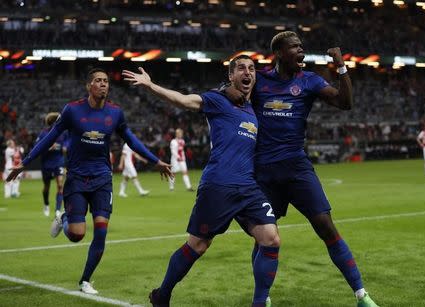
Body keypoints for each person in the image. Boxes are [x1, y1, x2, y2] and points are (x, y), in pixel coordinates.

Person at [225, 31, 378, 307]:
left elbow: (346, 102)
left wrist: (341, 66)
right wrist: (229, 91)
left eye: (301, 46)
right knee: (263, 239)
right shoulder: (259, 79)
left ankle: (361, 295)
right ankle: (261, 300)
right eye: (295, 47)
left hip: (297, 167)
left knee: (326, 227)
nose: (301, 51)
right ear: (280, 53)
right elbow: (232, 88)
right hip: (264, 172)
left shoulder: (309, 81)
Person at [122, 55, 280, 307]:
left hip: (248, 187)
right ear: (230, 75)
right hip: (219, 184)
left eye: (251, 69)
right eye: (241, 68)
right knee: (198, 245)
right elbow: (184, 101)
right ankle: (162, 295)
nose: (247, 72)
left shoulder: (253, 109)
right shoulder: (217, 100)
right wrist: (151, 86)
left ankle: (259, 303)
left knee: (271, 239)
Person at [6, 68, 172, 295]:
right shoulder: (72, 110)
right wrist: (25, 162)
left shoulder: (115, 113)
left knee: (101, 230)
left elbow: (132, 140)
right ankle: (63, 216)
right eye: (98, 81)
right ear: (89, 86)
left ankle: (85, 280)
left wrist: (155, 161)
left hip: (103, 178)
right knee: (77, 234)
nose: (103, 84)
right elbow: (50, 137)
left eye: (106, 81)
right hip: (76, 178)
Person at [37, 112, 68, 217]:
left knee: (60, 185)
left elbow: (68, 141)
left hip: (59, 162)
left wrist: (65, 147)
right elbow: (37, 148)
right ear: (52, 123)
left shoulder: (63, 133)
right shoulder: (43, 134)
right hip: (46, 163)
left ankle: (57, 210)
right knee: (46, 186)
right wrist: (48, 148)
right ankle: (46, 204)